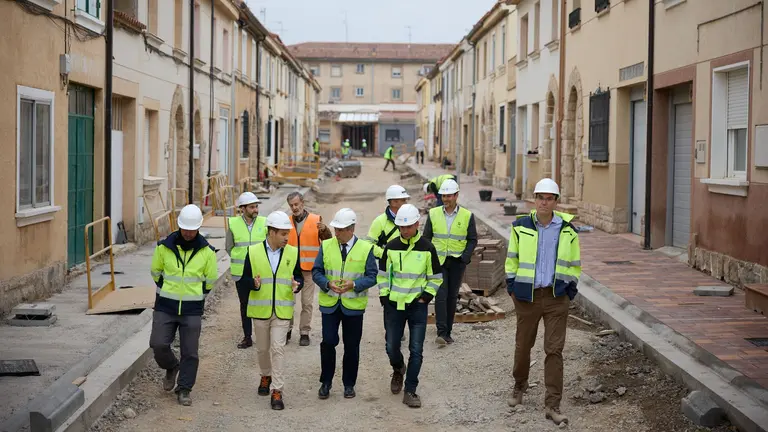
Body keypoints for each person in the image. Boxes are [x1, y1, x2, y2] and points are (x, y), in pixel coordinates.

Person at [505, 178, 582, 426]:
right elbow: (512, 260)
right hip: (527, 297)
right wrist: (512, 287)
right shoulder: (520, 226)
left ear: (556, 202)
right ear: (534, 199)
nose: (544, 202)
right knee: (523, 345)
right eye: (540, 197)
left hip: (556, 298)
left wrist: (569, 290)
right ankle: (519, 385)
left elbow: (574, 265)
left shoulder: (568, 231)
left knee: (554, 351)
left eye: (549, 198)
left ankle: (553, 404)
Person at [149, 204, 218, 406]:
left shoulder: (207, 252)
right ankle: (172, 366)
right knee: (158, 344)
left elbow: (210, 280)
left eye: (192, 229)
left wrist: (196, 296)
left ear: (198, 228)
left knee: (190, 351)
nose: (188, 233)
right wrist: (166, 291)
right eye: (185, 228)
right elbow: (156, 273)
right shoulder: (163, 248)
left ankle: (184, 389)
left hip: (192, 310)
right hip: (165, 307)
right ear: (179, 226)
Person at [378, 204, 443, 408]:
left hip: (417, 306)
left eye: (408, 227)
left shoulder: (427, 248)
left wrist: (425, 297)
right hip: (394, 306)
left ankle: (410, 390)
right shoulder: (390, 247)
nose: (404, 231)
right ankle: (398, 369)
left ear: (417, 224)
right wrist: (384, 296)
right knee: (391, 346)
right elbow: (382, 275)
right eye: (401, 227)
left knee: (416, 350)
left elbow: (436, 277)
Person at [313, 208, 378, 400]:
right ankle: (326, 382)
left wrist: (354, 285)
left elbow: (372, 276)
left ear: (352, 229)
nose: (337, 233)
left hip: (353, 307)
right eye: (336, 229)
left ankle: (349, 384)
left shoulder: (365, 249)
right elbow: (316, 271)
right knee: (328, 342)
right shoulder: (326, 246)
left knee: (351, 346)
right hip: (330, 304)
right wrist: (327, 283)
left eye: (341, 230)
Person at [247, 211, 305, 410]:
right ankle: (265, 375)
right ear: (271, 232)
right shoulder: (253, 252)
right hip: (260, 310)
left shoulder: (292, 252)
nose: (286, 238)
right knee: (262, 349)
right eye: (282, 234)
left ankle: (277, 390)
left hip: (282, 311)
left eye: (287, 233)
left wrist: (297, 285)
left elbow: (299, 278)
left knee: (278, 349)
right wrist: (252, 284)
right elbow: (245, 280)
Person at [422, 179, 477, 346]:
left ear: (456, 195)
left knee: (452, 297)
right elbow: (426, 238)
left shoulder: (467, 216)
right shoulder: (433, 214)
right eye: (443, 196)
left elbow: (472, 239)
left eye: (449, 196)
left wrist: (465, 258)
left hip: (456, 262)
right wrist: (428, 259)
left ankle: (448, 332)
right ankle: (441, 332)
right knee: (441, 295)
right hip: (438, 261)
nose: (446, 199)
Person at [286, 191, 332, 345]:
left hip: (308, 269)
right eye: (291, 205)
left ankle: (304, 332)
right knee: (287, 302)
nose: (294, 207)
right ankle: (287, 329)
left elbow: (328, 241)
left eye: (296, 204)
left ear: (302, 203)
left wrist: (324, 230)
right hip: (290, 269)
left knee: (307, 303)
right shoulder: (286, 222)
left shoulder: (316, 220)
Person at [226, 192, 268, 349]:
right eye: (252, 207)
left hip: (260, 270)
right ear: (243, 208)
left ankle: (263, 336)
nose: (255, 209)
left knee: (261, 303)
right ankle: (247, 337)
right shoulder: (232, 224)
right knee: (245, 305)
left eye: (256, 206)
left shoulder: (264, 223)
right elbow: (229, 247)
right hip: (241, 272)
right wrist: (241, 260)